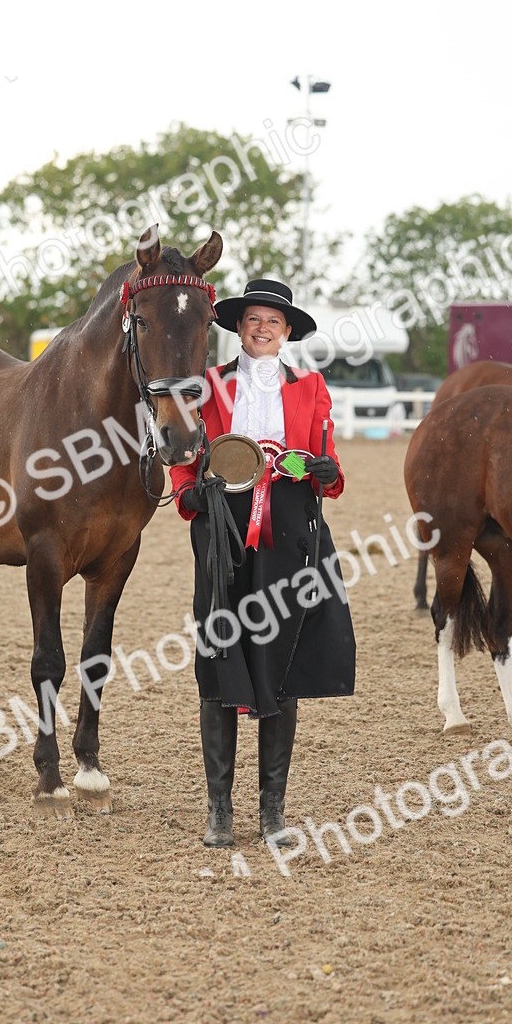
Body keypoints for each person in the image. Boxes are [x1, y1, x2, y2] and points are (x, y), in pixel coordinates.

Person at [169, 278, 356, 849]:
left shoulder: (313, 386)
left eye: (274, 319)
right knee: (219, 655)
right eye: (254, 317)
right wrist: (188, 494)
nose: (263, 326)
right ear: (238, 325)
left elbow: (330, 466)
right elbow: (183, 452)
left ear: (288, 331)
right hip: (223, 527)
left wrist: (327, 473)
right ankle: (219, 808)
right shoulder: (207, 385)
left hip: (290, 527)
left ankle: (272, 809)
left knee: (283, 657)